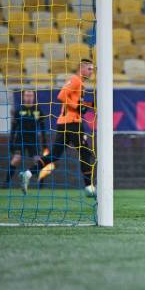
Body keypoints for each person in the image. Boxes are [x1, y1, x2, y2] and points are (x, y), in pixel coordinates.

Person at [20, 59, 96, 196]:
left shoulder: (79, 84)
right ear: (81, 68)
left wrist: (90, 105)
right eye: (89, 69)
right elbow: (61, 95)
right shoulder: (76, 80)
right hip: (72, 123)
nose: (92, 72)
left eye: (92, 69)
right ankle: (89, 187)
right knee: (85, 153)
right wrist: (78, 107)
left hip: (64, 123)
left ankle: (28, 173)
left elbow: (75, 103)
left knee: (54, 155)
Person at [4, 90, 48, 187]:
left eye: (31, 95)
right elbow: (13, 128)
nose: (29, 97)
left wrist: (44, 144)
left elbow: (43, 128)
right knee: (16, 159)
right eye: (27, 95)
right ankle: (6, 183)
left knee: (38, 161)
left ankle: (41, 184)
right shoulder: (18, 110)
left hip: (34, 140)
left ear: (34, 97)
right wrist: (11, 142)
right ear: (23, 97)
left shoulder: (38, 110)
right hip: (21, 139)